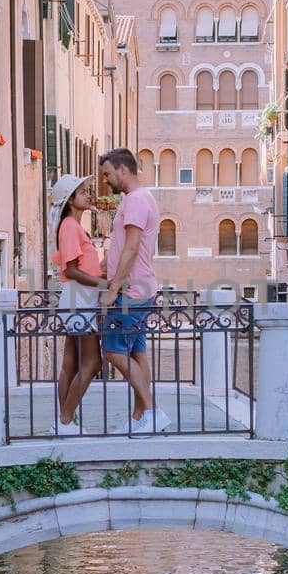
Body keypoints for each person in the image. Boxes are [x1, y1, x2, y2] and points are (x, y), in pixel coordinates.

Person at [98, 147, 170, 434]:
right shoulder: (136, 199)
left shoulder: (137, 200)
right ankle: (141, 417)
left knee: (112, 351)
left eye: (107, 173)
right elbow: (120, 247)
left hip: (132, 292)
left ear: (122, 170)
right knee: (137, 353)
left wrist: (114, 288)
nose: (105, 180)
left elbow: (132, 246)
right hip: (140, 289)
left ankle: (152, 411)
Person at [49, 173, 104, 432]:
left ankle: (64, 422)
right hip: (79, 300)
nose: (88, 194)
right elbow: (70, 270)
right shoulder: (70, 226)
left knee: (70, 364)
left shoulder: (73, 226)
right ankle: (66, 420)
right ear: (70, 199)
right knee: (92, 363)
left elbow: (82, 267)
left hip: (79, 298)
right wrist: (104, 284)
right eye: (82, 192)